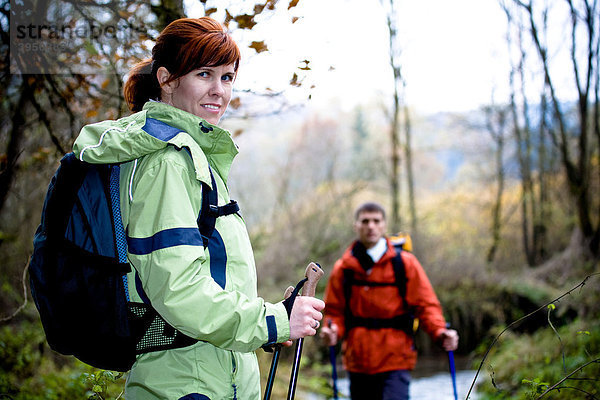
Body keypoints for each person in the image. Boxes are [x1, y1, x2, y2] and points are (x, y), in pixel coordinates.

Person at [71, 17, 324, 399]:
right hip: (187, 383)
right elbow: (178, 290)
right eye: (204, 74)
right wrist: (272, 322)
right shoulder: (168, 163)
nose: (219, 91)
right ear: (167, 80)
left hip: (211, 375)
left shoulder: (190, 157)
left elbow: (213, 278)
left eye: (227, 77)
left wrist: (269, 321)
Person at [319, 202, 458, 400]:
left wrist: (440, 331)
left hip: (396, 358)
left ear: (384, 225)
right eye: (365, 221)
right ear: (356, 225)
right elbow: (334, 311)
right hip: (357, 359)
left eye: (376, 221)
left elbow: (426, 305)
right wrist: (332, 331)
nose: (371, 226)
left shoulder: (405, 263)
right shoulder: (343, 268)